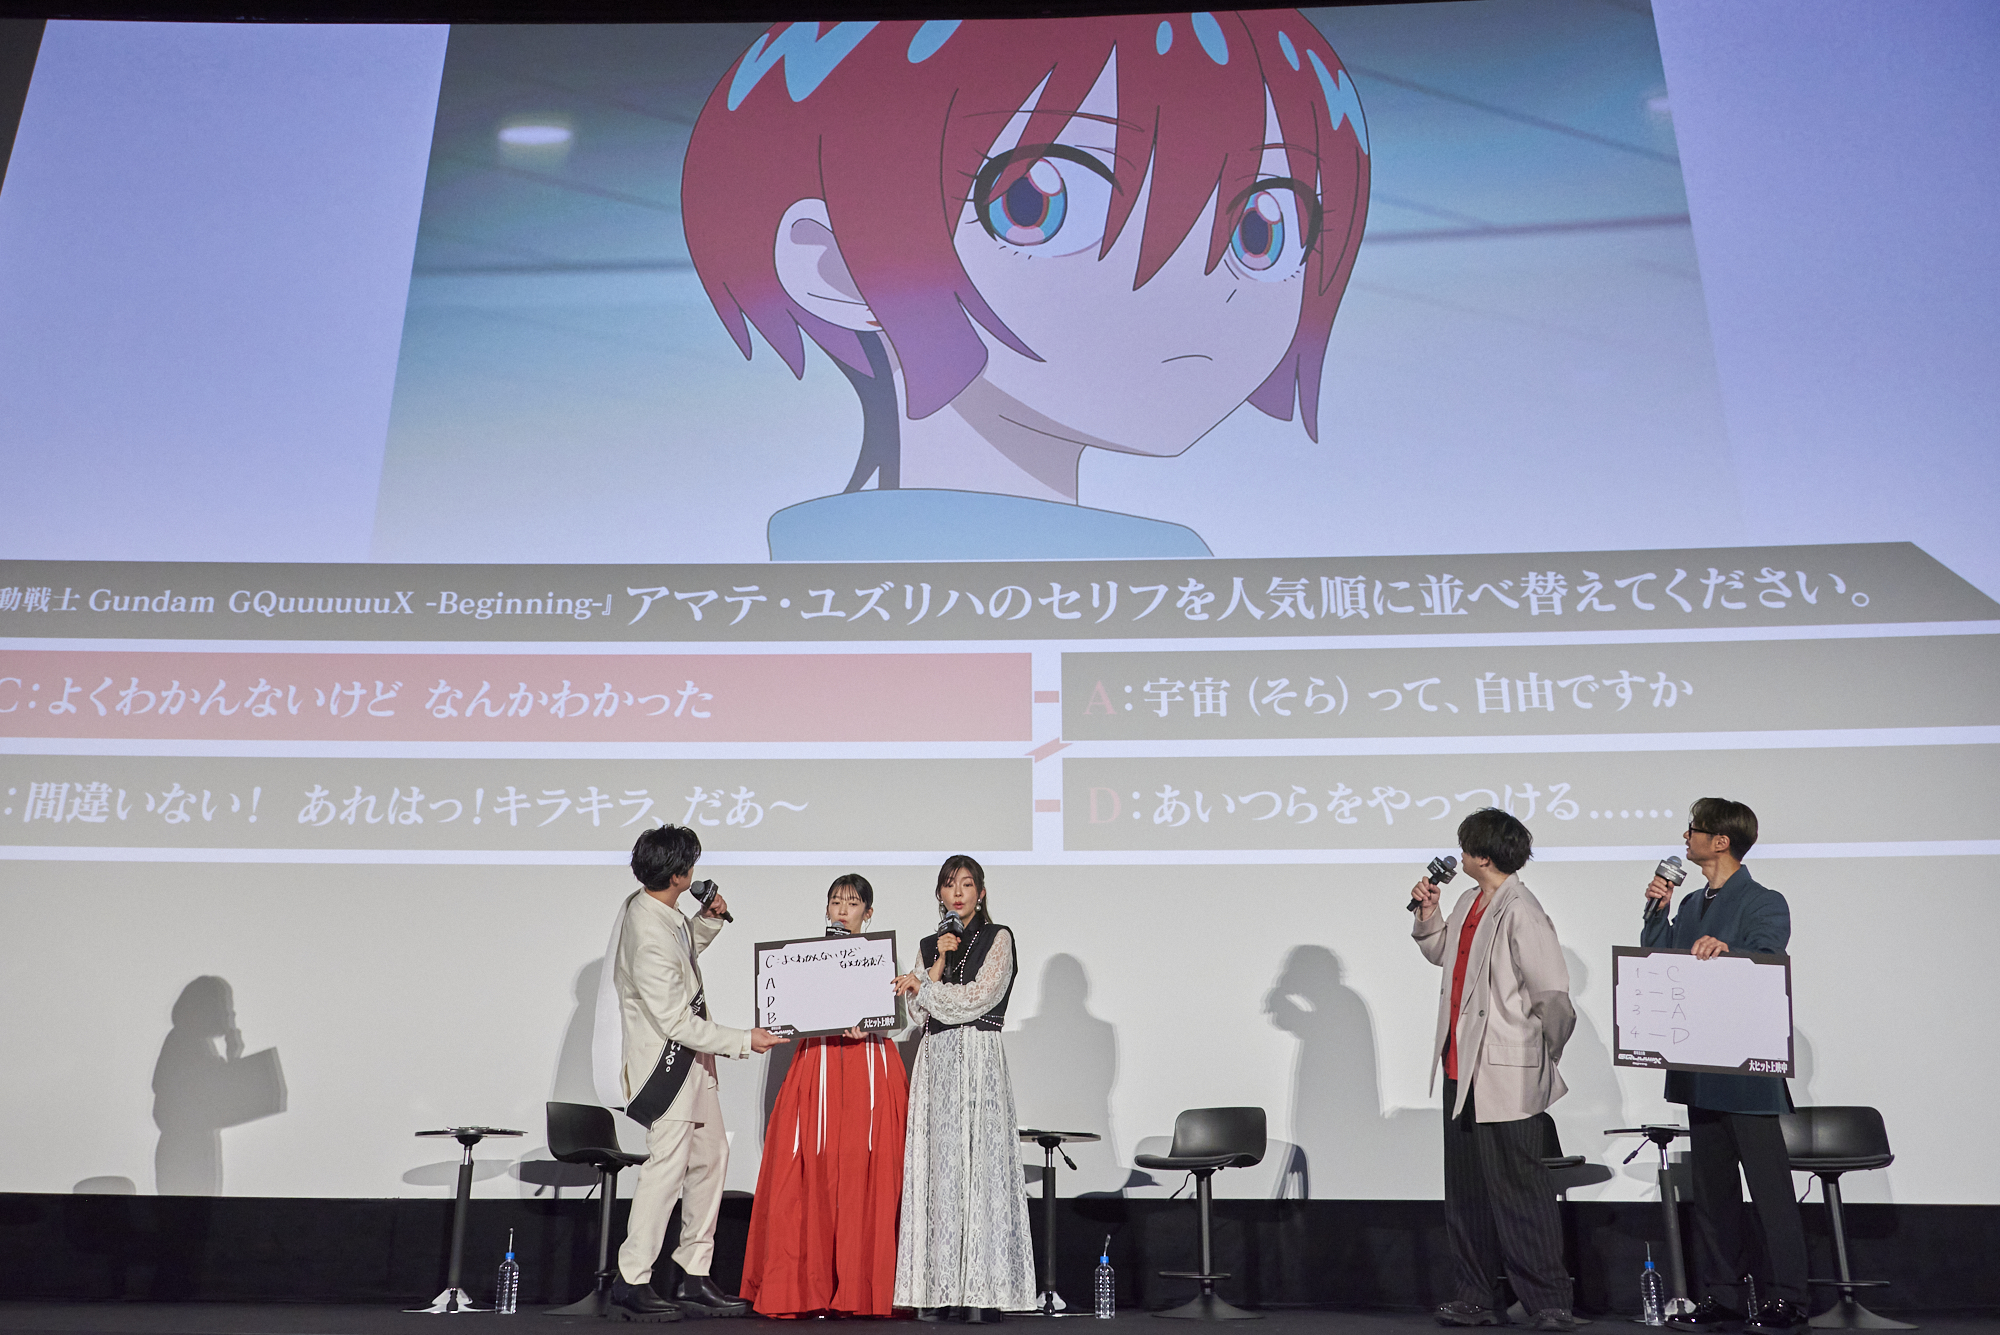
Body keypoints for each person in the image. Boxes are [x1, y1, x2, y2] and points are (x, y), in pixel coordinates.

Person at [682, 13, 1371, 561]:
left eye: (1262, 230)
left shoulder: (1165, 574)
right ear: (833, 267)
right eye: (1035, 205)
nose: (1200, 286)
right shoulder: (1156, 577)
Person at [602, 824, 789, 1322]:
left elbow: (680, 963)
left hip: (691, 1064)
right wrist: (744, 1040)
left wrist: (706, 922)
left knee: (711, 1158)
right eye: (691, 866)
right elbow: (676, 1021)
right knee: (666, 1171)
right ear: (679, 875)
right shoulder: (647, 933)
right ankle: (632, 1278)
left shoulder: (655, 908)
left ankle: (693, 1273)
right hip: (665, 1067)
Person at [1641, 799, 1808, 1335]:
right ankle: (1723, 1294)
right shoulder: (1690, 902)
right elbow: (1658, 960)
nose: (1684, 837)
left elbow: (1767, 957)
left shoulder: (1764, 900)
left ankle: (1789, 1297)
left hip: (1746, 1073)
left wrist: (1728, 948)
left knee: (1770, 1192)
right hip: (1700, 1069)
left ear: (1721, 841)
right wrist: (1657, 911)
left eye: (1693, 829)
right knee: (1713, 1196)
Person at [1408, 809, 1577, 1332]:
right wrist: (1428, 915)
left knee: (1520, 1189)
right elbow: (1443, 953)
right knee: (1467, 1192)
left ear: (1483, 855)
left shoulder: (1522, 909)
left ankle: (1548, 1301)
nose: (1458, 856)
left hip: (1507, 1070)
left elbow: (1553, 997)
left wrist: (1541, 1053)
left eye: (1465, 848)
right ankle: (1475, 1296)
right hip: (1460, 1067)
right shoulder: (1467, 901)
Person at [741, 875, 911, 1318]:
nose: (842, 910)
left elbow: (900, 1019)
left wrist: (873, 1024)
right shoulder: (806, 958)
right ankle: (805, 1288)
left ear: (868, 913)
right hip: (818, 1061)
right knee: (811, 1169)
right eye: (835, 902)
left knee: (865, 1170)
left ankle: (863, 1287)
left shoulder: (881, 959)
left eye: (852, 904)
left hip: (868, 1064)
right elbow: (786, 1010)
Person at [890, 855, 1036, 1319]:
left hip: (977, 1055)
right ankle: (935, 1291)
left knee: (980, 1168)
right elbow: (917, 1013)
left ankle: (981, 1293)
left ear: (981, 892)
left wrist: (924, 989)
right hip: (936, 1060)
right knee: (939, 1170)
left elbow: (978, 997)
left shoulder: (999, 937)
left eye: (967, 884)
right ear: (939, 893)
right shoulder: (930, 945)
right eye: (950, 885)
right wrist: (935, 964)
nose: (958, 893)